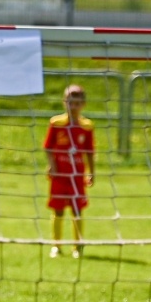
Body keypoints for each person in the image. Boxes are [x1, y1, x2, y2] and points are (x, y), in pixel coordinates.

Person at [43, 84, 96, 258]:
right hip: (59, 176)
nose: (73, 107)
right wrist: (52, 165)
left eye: (77, 103)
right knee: (58, 210)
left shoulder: (87, 127)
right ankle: (56, 246)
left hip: (77, 177)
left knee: (77, 210)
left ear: (83, 104)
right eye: (70, 103)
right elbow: (48, 147)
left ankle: (77, 247)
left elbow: (90, 152)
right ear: (64, 103)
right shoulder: (56, 123)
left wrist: (91, 172)